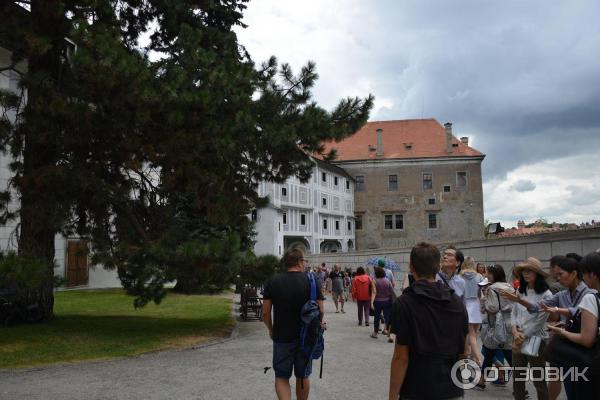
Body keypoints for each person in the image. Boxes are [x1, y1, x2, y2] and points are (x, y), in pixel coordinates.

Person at [389, 242, 468, 400]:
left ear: (411, 267)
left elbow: (401, 357)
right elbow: (463, 352)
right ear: (438, 267)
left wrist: (392, 397)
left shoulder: (404, 303)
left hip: (417, 388)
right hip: (450, 388)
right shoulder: (457, 302)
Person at [262, 248, 325, 400]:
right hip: (306, 337)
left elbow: (265, 313)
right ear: (299, 262)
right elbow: (320, 310)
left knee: (282, 376)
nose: (305, 264)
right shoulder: (312, 281)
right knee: (303, 376)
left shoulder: (272, 281)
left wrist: (271, 330)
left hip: (282, 336)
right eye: (304, 261)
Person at [547, 251, 600, 399]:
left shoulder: (590, 298)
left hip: (588, 362)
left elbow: (586, 339)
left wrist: (561, 332)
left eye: (584, 273)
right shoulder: (563, 294)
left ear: (593, 274)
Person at [501, 257, 552, 400]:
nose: (526, 274)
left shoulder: (546, 294)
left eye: (530, 271)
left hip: (536, 339)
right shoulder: (520, 290)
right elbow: (514, 311)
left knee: (539, 380)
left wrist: (521, 336)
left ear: (538, 273)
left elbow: (540, 321)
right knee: (518, 378)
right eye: (524, 271)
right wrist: (514, 330)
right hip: (518, 337)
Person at [477, 264, 514, 390]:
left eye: (489, 273)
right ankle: (519, 384)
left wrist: (484, 301)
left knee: (490, 352)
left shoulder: (492, 288)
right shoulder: (509, 286)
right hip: (508, 323)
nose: (486, 275)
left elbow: (492, 308)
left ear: (495, 275)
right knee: (506, 353)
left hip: (495, 325)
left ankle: (482, 381)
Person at [460, 256, 484, 366]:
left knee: (469, 335)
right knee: (474, 334)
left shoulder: (459, 276)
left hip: (465, 305)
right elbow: (482, 292)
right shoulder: (479, 276)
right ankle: (473, 359)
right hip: (476, 304)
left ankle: (477, 359)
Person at [371, 266, 395, 342]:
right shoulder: (388, 281)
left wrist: (371, 302)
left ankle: (375, 333)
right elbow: (391, 292)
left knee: (377, 317)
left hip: (377, 302)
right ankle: (389, 334)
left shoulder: (374, 281)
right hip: (387, 301)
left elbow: (374, 292)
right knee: (387, 317)